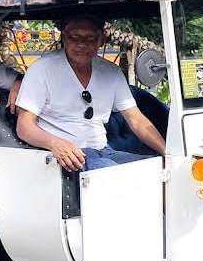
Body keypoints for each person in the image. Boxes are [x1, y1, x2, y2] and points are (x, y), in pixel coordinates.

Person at [15, 13, 165, 171]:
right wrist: (55, 143)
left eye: (90, 38)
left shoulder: (111, 71)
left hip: (104, 152)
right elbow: (24, 126)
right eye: (75, 37)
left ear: (100, 40)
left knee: (153, 167)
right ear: (64, 37)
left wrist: (167, 153)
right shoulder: (42, 69)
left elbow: (136, 120)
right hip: (64, 157)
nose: (82, 44)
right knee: (110, 172)